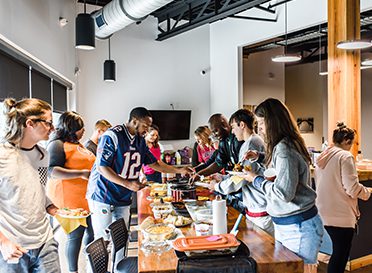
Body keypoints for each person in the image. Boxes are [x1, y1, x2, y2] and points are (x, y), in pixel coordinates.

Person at [87, 107, 192, 240]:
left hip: (122, 195)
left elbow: (155, 164)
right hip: (103, 193)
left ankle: (118, 262)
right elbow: (102, 167)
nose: (147, 130)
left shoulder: (140, 141)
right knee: (103, 238)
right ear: (135, 121)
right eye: (145, 126)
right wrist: (127, 184)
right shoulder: (112, 135)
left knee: (121, 237)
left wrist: (179, 170)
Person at [243, 98, 323, 273]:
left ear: (274, 122)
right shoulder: (285, 145)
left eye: (262, 123)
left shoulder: (284, 149)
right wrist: (260, 157)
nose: (260, 129)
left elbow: (284, 192)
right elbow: (281, 170)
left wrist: (255, 179)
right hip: (291, 226)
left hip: (299, 228)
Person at [0, 98, 60, 273]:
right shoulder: (3, 156)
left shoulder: (43, 155)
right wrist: (3, 242)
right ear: (30, 123)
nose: (53, 128)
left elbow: (37, 189)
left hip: (45, 241)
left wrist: (52, 206)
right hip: (14, 246)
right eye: (48, 123)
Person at [315, 122, 372, 273]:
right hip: (340, 214)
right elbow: (352, 189)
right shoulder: (345, 156)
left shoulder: (323, 155)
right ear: (347, 141)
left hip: (323, 212)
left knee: (337, 254)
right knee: (340, 256)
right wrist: (368, 192)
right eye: (352, 143)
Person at [47, 111, 95, 273]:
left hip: (85, 198)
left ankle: (91, 260)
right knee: (75, 236)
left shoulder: (78, 144)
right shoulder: (57, 144)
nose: (83, 131)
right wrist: (81, 173)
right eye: (81, 128)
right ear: (71, 127)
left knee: (90, 232)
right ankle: (73, 270)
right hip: (69, 198)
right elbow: (52, 170)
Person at [212, 109, 274, 235]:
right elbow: (240, 172)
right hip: (255, 207)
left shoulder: (252, 143)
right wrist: (223, 178)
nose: (233, 131)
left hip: (260, 208)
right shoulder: (248, 143)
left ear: (242, 125)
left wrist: (217, 186)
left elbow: (242, 178)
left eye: (234, 127)